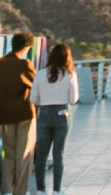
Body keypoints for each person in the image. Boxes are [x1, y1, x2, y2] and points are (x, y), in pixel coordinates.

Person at [30, 43, 79, 194]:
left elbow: (33, 98)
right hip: (62, 113)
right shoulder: (69, 74)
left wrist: (45, 102)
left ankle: (40, 189)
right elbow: (74, 98)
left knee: (42, 155)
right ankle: (57, 190)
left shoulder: (40, 74)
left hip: (44, 114)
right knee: (59, 154)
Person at [0, 33, 38, 195]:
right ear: (26, 47)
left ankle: (6, 189)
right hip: (24, 113)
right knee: (24, 154)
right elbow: (34, 85)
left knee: (9, 153)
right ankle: (20, 191)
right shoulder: (25, 64)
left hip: (4, 114)